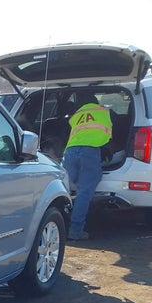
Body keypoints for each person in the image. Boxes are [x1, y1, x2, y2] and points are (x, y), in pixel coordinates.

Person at [62, 91, 113, 240]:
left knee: (63, 190)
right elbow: (110, 134)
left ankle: (59, 225)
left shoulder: (77, 114)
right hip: (89, 152)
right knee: (84, 191)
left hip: (70, 151)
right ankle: (75, 231)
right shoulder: (103, 111)